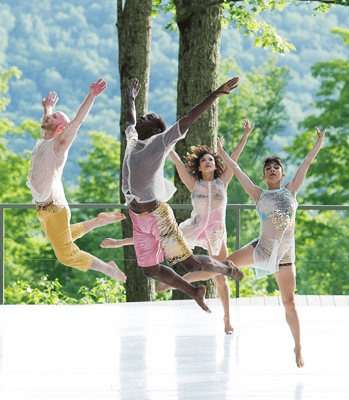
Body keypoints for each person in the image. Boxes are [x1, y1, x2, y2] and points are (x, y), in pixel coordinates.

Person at [102, 119, 255, 333]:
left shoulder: (223, 181)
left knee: (221, 277)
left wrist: (245, 135)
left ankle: (227, 319)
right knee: (158, 238)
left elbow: (235, 159)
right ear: (199, 167)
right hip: (194, 227)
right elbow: (173, 157)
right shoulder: (194, 184)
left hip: (215, 232)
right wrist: (162, 138)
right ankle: (120, 243)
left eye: (212, 159)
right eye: (205, 161)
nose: (209, 162)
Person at [118, 77, 244, 313]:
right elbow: (130, 119)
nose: (142, 118)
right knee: (150, 270)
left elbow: (188, 119)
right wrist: (130, 99)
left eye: (149, 117)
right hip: (138, 218)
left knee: (192, 264)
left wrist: (215, 94)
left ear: (156, 129)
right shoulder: (133, 138)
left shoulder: (161, 142)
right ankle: (195, 291)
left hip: (158, 216)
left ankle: (226, 268)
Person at [214, 126, 326, 368]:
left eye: (276, 168)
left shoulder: (291, 191)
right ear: (264, 177)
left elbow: (306, 163)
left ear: (283, 175)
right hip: (262, 250)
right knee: (222, 266)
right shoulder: (259, 194)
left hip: (285, 256)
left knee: (289, 301)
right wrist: (222, 151)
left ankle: (298, 346)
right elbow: (237, 170)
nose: (272, 170)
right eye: (268, 169)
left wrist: (319, 141)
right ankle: (192, 283)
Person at [26, 80, 126, 283]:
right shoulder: (44, 141)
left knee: (66, 254)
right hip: (44, 211)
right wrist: (48, 108)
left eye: (52, 118)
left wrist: (91, 96)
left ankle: (109, 270)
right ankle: (99, 221)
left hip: (54, 210)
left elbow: (77, 121)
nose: (47, 118)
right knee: (63, 237)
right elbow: (47, 123)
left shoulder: (59, 145)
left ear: (60, 127)